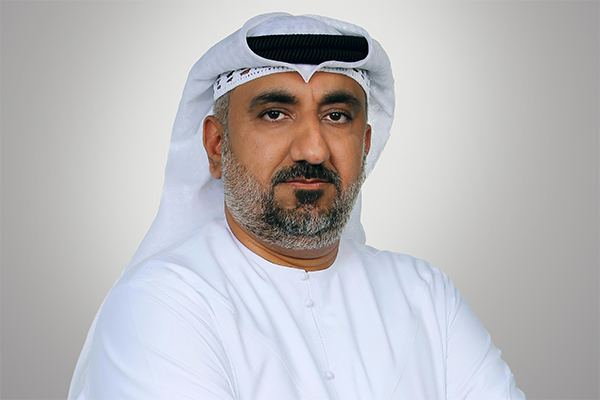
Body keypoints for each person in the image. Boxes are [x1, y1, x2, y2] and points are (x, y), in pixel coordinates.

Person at [68, 13, 525, 400]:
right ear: (216, 145)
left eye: (336, 116)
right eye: (275, 114)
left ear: (365, 146)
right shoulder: (161, 303)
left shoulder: (426, 295)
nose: (313, 149)